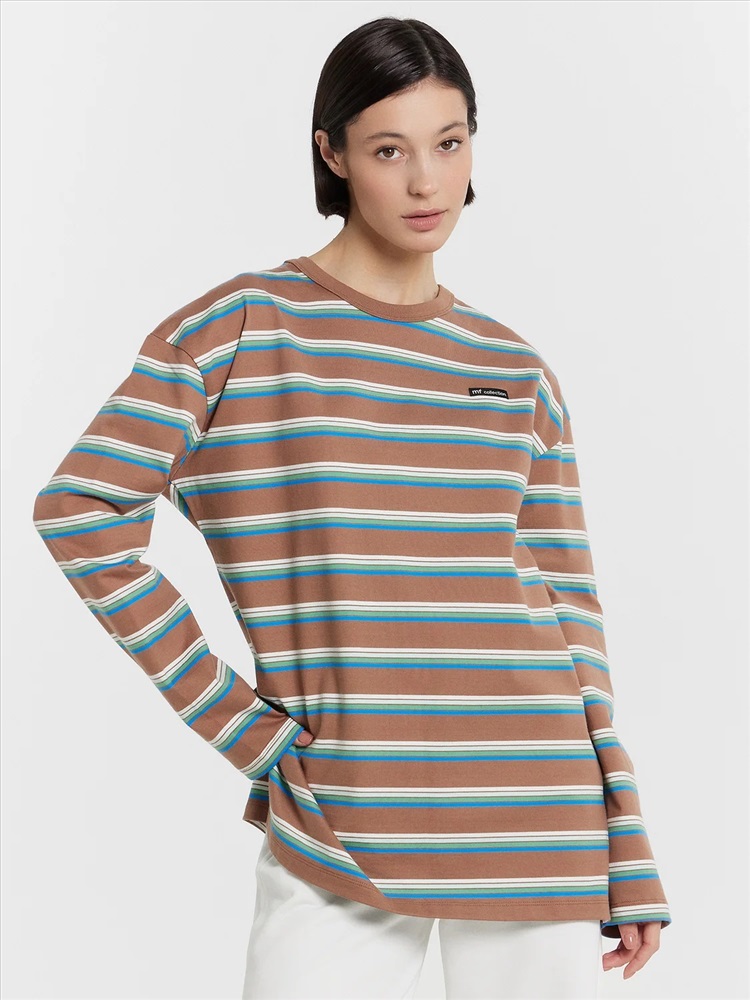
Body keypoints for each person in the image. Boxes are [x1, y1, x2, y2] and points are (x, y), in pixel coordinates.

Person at [32, 15, 670, 1000]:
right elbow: (80, 513)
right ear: (331, 154)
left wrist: (625, 836)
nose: (426, 182)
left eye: (449, 143)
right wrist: (249, 733)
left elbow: (570, 617)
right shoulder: (242, 330)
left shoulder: (515, 369)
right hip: (340, 815)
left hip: (539, 813)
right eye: (389, 150)